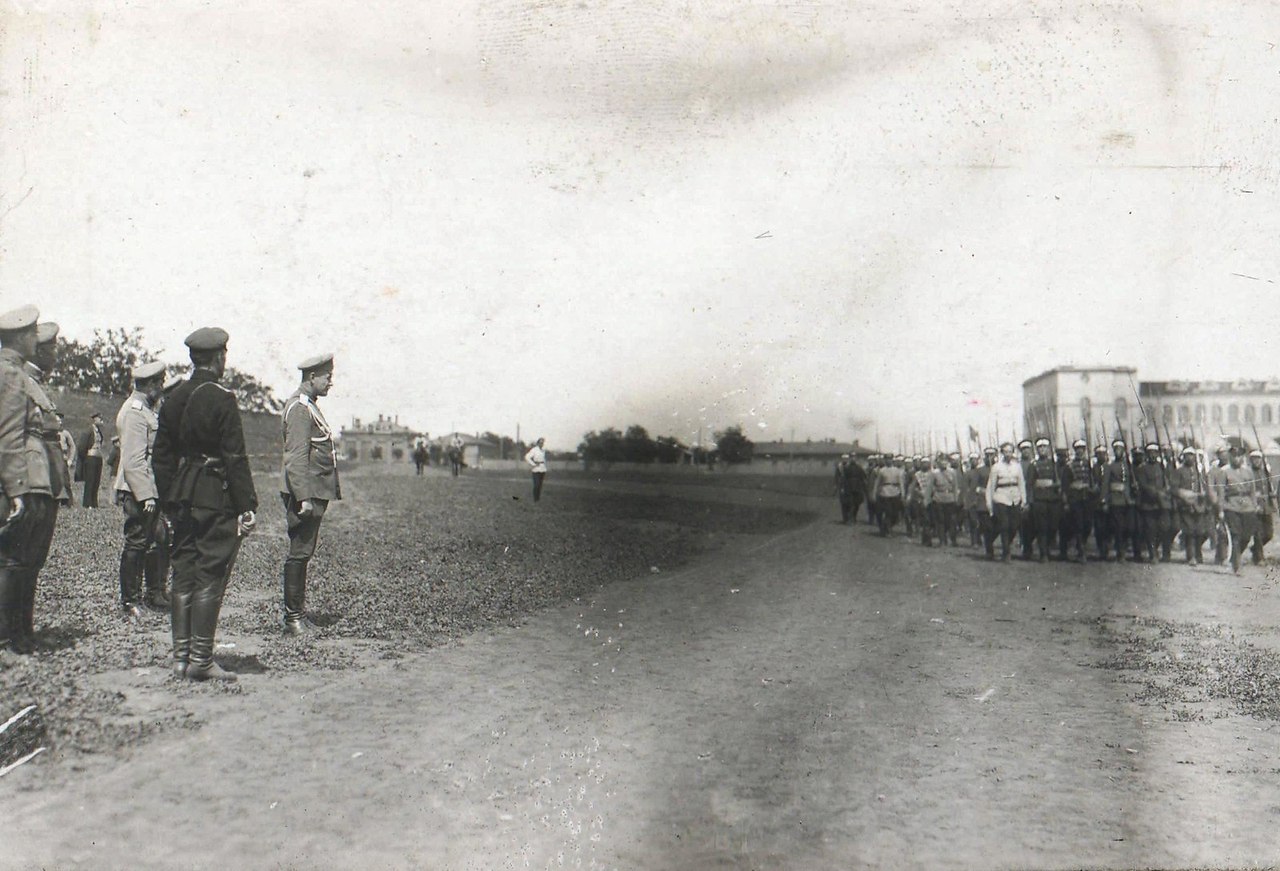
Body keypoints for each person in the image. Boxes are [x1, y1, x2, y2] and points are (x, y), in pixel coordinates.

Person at [152, 327, 258, 681]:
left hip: (180, 494)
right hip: (213, 494)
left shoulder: (174, 396)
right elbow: (234, 455)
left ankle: (180, 659)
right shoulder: (222, 397)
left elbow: (162, 456)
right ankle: (201, 660)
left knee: (182, 573)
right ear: (219, 358)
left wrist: (168, 498)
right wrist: (247, 504)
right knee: (210, 573)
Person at [0, 306, 59, 655]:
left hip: (30, 475)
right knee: (14, 561)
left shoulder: (16, 373)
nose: (35, 339)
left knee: (24, 561)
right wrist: (17, 489)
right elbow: (8, 437)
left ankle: (21, 633)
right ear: (18, 337)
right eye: (31, 332)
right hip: (21, 477)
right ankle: (9, 638)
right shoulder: (10, 375)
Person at [279, 353, 340, 636]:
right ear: (312, 377)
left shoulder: (309, 406)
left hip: (313, 490)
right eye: (327, 377)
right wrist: (302, 496)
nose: (330, 382)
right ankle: (293, 618)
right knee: (300, 551)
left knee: (304, 552)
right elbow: (297, 457)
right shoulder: (301, 408)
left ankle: (297, 614)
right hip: (305, 491)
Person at [113, 360, 170, 619]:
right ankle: (130, 601)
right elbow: (134, 459)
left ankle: (153, 593)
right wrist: (145, 494)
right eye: (159, 383)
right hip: (138, 490)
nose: (162, 387)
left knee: (157, 539)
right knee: (136, 542)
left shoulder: (146, 409)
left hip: (149, 487)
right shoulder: (136, 412)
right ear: (148, 385)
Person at [1214, 447, 1260, 575]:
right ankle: (1237, 565)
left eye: (1239, 456)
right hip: (1231, 506)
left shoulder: (1248, 471)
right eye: (1234, 456)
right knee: (1235, 535)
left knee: (1246, 536)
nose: (1236, 458)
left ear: (1243, 457)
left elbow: (1252, 490)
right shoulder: (1225, 472)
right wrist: (1221, 510)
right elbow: (1221, 492)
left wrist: (1254, 505)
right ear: (1230, 457)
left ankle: (1235, 556)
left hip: (1247, 506)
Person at [1025, 437, 1066, 562]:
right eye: (1040, 448)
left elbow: (1061, 481)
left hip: (1053, 499)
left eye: (1044, 447)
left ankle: (1048, 547)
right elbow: (1030, 484)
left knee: (1052, 526)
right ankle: (1044, 553)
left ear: (1048, 449)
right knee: (1041, 527)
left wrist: (1058, 485)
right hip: (1039, 499)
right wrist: (1030, 500)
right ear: (1037, 450)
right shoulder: (1034, 465)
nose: (1042, 450)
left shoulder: (1054, 465)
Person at [986, 441, 1027, 562]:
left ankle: (1000, 543)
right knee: (1004, 525)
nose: (1008, 454)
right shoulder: (996, 467)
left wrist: (1023, 499)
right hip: (1001, 498)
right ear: (1002, 453)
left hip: (1015, 498)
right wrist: (990, 503)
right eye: (1006, 452)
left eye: (1010, 451)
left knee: (1014, 526)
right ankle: (1006, 552)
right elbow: (991, 486)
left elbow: (1021, 483)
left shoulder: (1017, 466)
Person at [1101, 439, 1140, 563]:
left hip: (1127, 500)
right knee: (1119, 528)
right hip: (1115, 500)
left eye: (1120, 449)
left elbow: (1131, 482)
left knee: (1129, 527)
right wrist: (1104, 500)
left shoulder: (1129, 467)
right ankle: (1120, 553)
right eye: (1116, 449)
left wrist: (1134, 487)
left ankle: (1124, 549)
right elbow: (1105, 484)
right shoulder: (1110, 466)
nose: (1118, 452)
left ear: (1123, 451)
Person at [1135, 443, 1174, 563]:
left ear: (1157, 454)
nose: (1152, 455)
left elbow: (1168, 481)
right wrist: (1157, 493)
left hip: (1162, 504)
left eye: (1154, 453)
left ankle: (1164, 553)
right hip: (1148, 504)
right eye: (1150, 453)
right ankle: (1153, 554)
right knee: (1150, 530)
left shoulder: (1162, 466)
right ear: (1147, 454)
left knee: (1165, 528)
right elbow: (1143, 485)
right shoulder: (1142, 468)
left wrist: (1166, 489)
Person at [1172, 447, 1210, 565]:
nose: (1190, 458)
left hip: (1199, 505)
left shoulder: (1199, 471)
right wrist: (1186, 495)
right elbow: (1174, 489)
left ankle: (1198, 554)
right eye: (1187, 455)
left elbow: (1205, 486)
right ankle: (1191, 556)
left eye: (1192, 455)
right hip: (1186, 505)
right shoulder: (1179, 471)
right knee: (1189, 532)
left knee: (1200, 532)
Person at [1063, 440, 1094, 563]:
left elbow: (1092, 479)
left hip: (1087, 497)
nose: (1080, 451)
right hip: (1075, 498)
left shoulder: (1088, 464)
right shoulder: (1069, 465)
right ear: (1074, 450)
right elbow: (1065, 484)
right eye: (1077, 449)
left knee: (1088, 524)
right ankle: (1081, 550)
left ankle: (1080, 545)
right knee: (1079, 524)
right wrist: (1067, 499)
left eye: (1082, 448)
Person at [81, 411, 107, 508]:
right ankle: (87, 503)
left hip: (98, 457)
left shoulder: (99, 431)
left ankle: (94, 503)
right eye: (100, 419)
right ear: (95, 419)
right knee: (90, 481)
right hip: (90, 457)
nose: (101, 421)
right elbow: (82, 447)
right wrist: (85, 458)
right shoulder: (89, 431)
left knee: (96, 481)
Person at [56, 412, 77, 500]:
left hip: (63, 460)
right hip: (53, 460)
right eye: (56, 420)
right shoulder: (48, 433)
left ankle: (68, 501)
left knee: (66, 482)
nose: (58, 422)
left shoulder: (65, 433)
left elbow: (72, 446)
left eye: (59, 421)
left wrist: (70, 460)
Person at [525, 437, 547, 502]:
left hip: (542, 469)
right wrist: (533, 464)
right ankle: (535, 499)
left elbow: (543, 459)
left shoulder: (543, 450)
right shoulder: (534, 450)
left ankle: (538, 498)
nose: (541, 444)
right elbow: (527, 457)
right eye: (540, 443)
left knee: (540, 485)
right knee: (536, 485)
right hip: (536, 469)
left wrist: (544, 465)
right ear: (537, 443)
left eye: (542, 443)